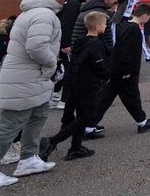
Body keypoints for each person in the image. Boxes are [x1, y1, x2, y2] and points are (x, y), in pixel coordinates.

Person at [0, 0, 66, 190]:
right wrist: (52, 63)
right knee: (11, 123)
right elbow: (37, 46)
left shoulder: (36, 12)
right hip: (26, 76)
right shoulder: (44, 15)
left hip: (33, 76)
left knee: (38, 115)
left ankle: (29, 159)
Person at [39, 9, 110, 162]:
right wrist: (107, 76)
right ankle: (52, 141)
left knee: (80, 116)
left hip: (75, 83)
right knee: (86, 117)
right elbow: (98, 65)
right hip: (89, 84)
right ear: (97, 26)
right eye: (104, 24)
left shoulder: (80, 41)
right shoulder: (95, 44)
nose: (106, 27)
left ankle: (76, 147)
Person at [94, 3, 150, 133]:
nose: (148, 20)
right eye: (148, 17)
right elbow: (126, 51)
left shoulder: (125, 25)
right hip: (126, 71)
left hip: (117, 69)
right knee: (131, 96)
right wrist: (126, 70)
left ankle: (89, 125)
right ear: (144, 16)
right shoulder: (134, 29)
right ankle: (142, 122)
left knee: (107, 97)